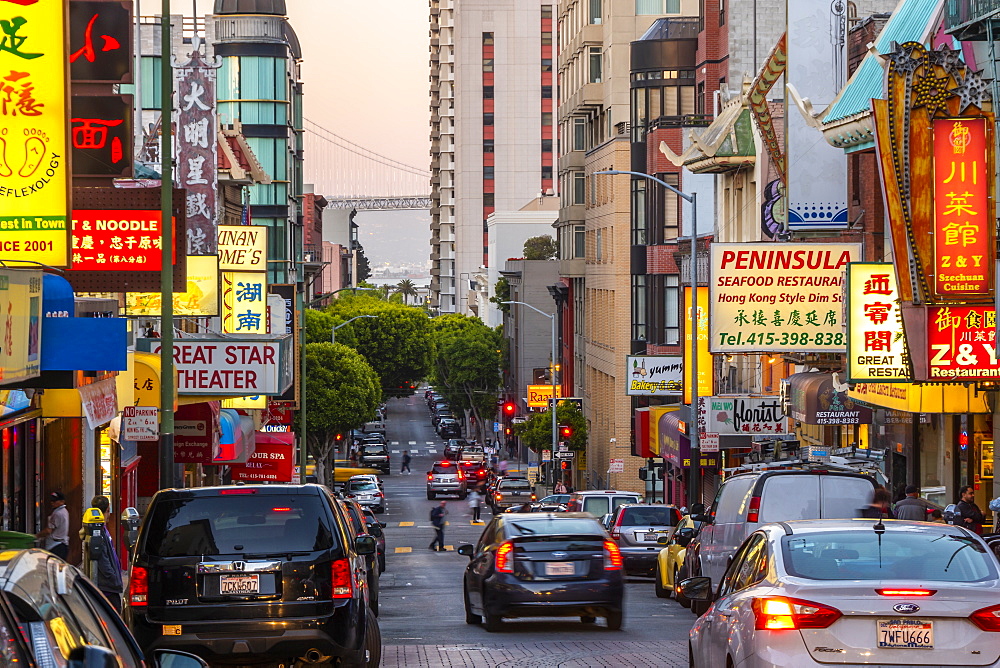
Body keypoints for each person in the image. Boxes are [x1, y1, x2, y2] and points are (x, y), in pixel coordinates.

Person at [90, 496, 124, 612]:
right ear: (107, 510)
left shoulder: (103, 530)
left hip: (108, 585)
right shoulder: (100, 532)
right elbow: (103, 560)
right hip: (107, 588)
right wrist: (114, 579)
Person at [37, 492, 70, 560]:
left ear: (62, 501)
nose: (52, 502)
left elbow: (49, 530)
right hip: (60, 545)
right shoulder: (64, 511)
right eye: (51, 500)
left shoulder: (58, 513)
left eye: (55, 501)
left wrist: (37, 536)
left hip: (56, 546)